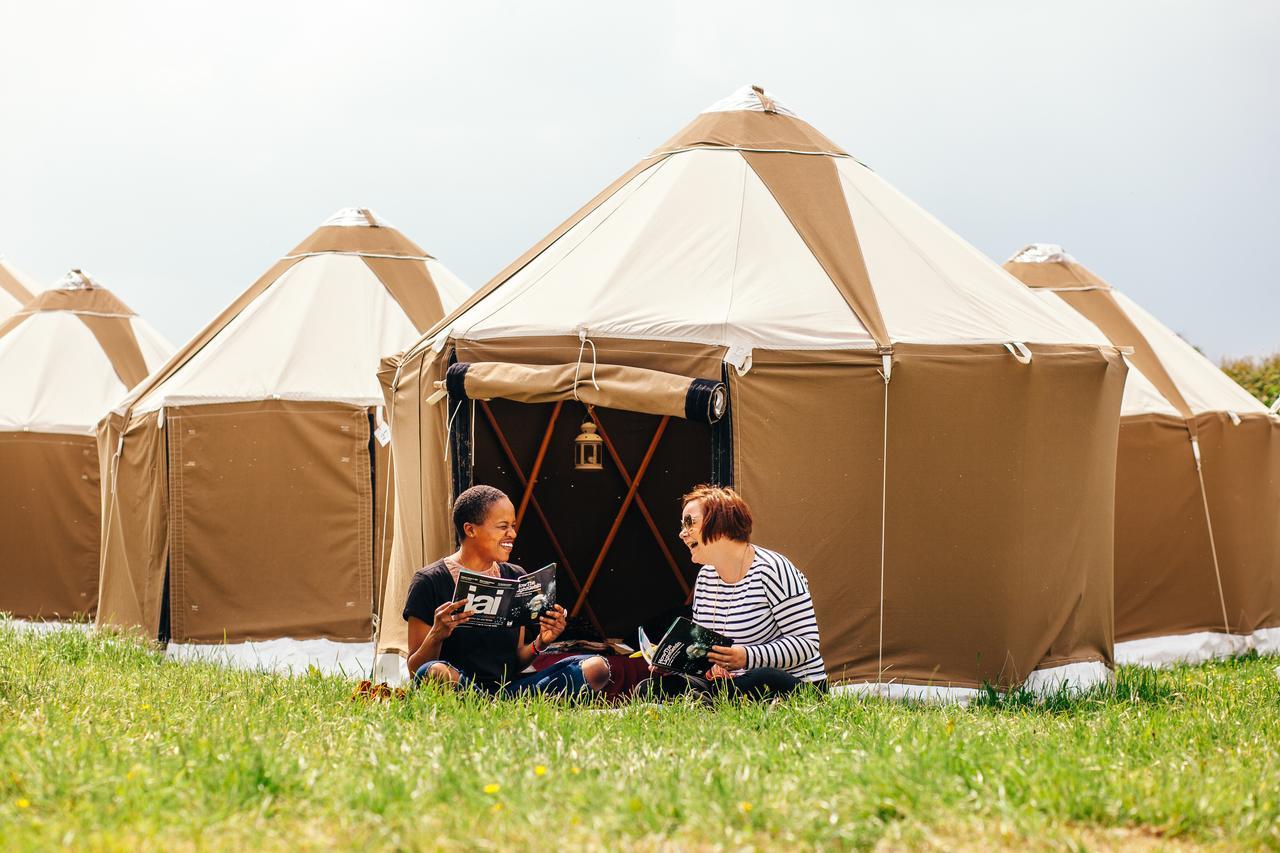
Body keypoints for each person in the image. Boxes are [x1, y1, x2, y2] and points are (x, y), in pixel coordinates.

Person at [403, 485, 611, 697]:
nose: (512, 534)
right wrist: (436, 635)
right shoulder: (429, 581)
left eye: (513, 525)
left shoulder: (515, 576)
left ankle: (492, 707)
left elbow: (515, 663)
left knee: (596, 668)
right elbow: (416, 672)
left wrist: (541, 642)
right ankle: (483, 705)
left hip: (509, 692)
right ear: (470, 529)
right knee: (437, 672)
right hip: (460, 687)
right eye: (503, 527)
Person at [634, 485, 827, 701]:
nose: (682, 533)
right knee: (650, 688)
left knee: (762, 677)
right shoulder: (706, 577)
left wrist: (745, 657)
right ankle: (711, 703)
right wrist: (676, 663)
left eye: (690, 522)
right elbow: (704, 648)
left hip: (793, 683)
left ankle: (709, 703)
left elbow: (807, 644)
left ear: (721, 523)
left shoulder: (773, 569)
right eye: (682, 525)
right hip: (730, 684)